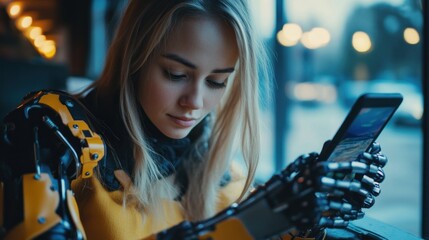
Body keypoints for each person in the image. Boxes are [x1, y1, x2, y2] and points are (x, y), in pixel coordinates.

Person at [0, 0, 387, 239]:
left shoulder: (214, 162)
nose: (195, 102)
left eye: (218, 81)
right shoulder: (51, 131)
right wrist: (258, 219)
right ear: (134, 58)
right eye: (176, 74)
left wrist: (311, 212)